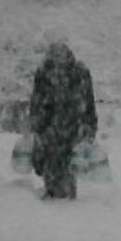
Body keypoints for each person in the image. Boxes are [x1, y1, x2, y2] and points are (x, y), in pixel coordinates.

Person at [28, 42, 97, 199]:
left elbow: (89, 101)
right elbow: (36, 100)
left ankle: (65, 199)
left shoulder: (80, 72)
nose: (59, 58)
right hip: (50, 127)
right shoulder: (44, 72)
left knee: (68, 164)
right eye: (56, 54)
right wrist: (35, 124)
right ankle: (53, 195)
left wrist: (90, 126)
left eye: (61, 54)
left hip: (71, 127)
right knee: (50, 162)